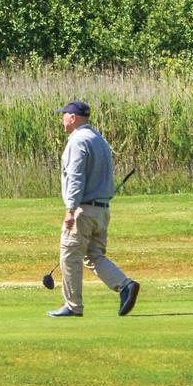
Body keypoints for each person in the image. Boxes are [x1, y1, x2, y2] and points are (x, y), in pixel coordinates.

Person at [49, 100, 140, 318]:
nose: (62, 119)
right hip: (102, 210)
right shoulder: (99, 139)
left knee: (70, 256)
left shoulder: (78, 141)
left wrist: (70, 210)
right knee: (93, 255)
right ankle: (125, 285)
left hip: (83, 210)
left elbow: (76, 177)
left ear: (73, 118)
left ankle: (73, 306)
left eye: (64, 115)